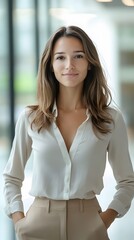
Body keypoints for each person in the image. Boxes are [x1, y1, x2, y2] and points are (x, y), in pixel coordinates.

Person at [3, 25, 134, 240]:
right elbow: (11, 176)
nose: (69, 65)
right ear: (50, 65)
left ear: (90, 63)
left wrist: (104, 221)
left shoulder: (110, 119)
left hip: (89, 225)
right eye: (60, 57)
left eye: (78, 56)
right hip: (38, 225)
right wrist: (19, 221)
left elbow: (127, 181)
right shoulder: (30, 118)